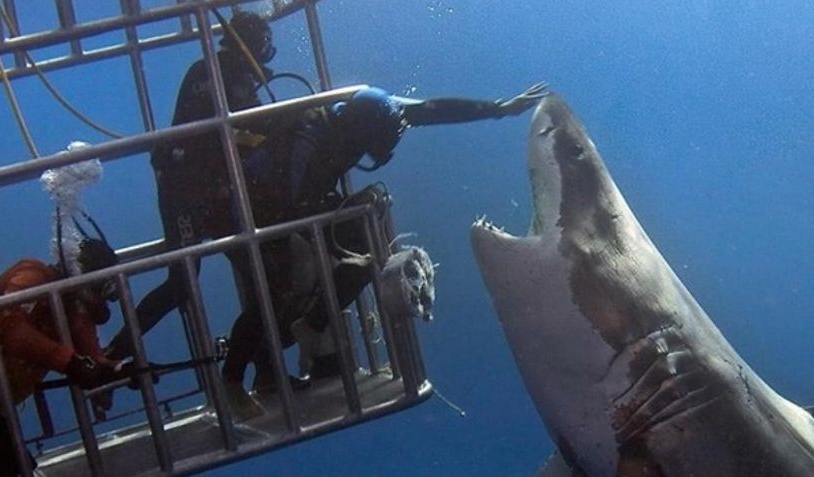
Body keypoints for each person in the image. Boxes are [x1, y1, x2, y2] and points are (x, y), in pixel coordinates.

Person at [220, 82, 550, 411]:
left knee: (367, 256)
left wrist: (499, 108)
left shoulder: (379, 110)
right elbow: (294, 206)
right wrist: (348, 204)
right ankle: (231, 382)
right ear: (362, 135)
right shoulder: (310, 142)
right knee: (276, 291)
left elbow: (434, 108)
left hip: (298, 201)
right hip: (247, 213)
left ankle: (309, 328)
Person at [104, 11, 275, 361]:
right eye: (263, 47)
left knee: (258, 274)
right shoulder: (223, 75)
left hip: (207, 191)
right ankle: (114, 352)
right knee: (185, 283)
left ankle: (258, 366)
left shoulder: (215, 70)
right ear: (252, 47)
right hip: (186, 194)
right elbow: (251, 125)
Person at [0, 236, 124, 476]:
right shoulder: (34, 277)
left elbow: (92, 359)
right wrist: (71, 363)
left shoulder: (74, 311)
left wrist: (116, 374)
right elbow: (13, 330)